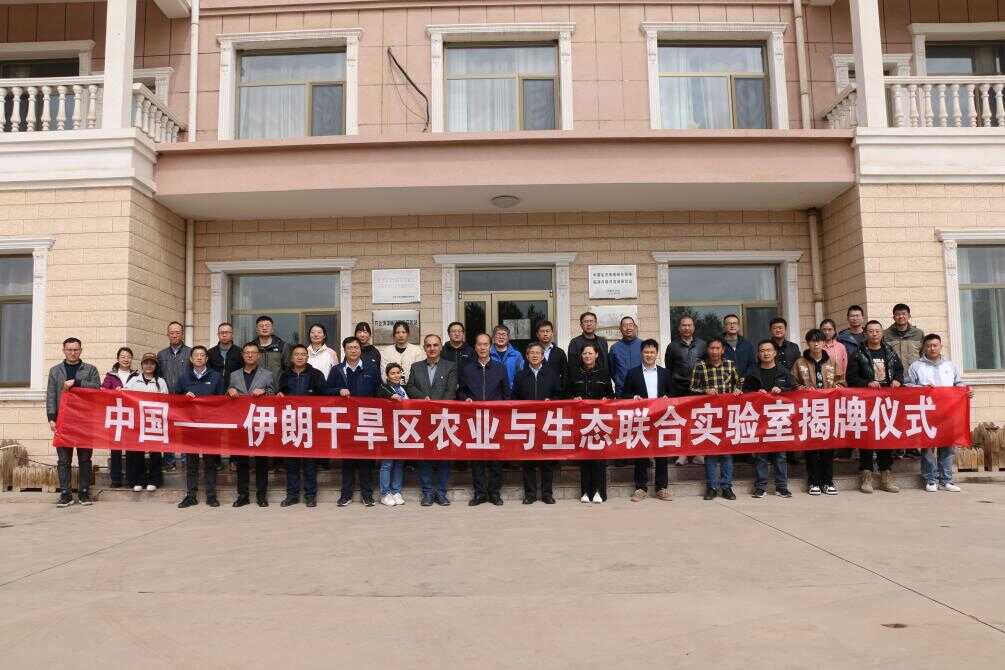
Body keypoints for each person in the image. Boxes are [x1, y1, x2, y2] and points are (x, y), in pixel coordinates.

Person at [905, 334, 972, 493]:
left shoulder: (950, 365)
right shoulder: (916, 366)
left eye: (935, 345)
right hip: (926, 412)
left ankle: (946, 480)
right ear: (924, 347)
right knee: (928, 446)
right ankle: (931, 479)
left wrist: (966, 391)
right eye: (929, 345)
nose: (932, 348)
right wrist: (921, 388)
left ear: (941, 346)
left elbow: (958, 383)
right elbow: (907, 385)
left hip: (948, 411)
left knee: (948, 446)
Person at [847, 320, 904, 494]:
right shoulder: (858, 354)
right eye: (871, 331)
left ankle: (886, 476)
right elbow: (851, 378)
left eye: (877, 331)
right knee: (867, 438)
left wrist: (897, 380)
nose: (874, 334)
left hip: (887, 401)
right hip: (867, 401)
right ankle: (866, 476)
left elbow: (899, 370)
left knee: (885, 437)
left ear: (882, 333)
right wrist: (867, 383)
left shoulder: (890, 352)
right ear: (865, 333)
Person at [47, 337, 101, 507]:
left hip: (85, 420)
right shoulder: (55, 371)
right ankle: (65, 494)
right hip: (63, 420)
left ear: (81, 351)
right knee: (64, 460)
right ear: (64, 350)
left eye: (76, 349)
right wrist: (51, 418)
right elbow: (51, 395)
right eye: (69, 349)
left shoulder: (90, 369)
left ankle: (84, 492)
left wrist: (76, 383)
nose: (72, 352)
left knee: (85, 458)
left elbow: (96, 388)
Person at [405, 334, 458, 507]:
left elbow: (451, 391)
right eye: (428, 345)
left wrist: (435, 405)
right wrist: (423, 399)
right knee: (424, 457)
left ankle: (441, 493)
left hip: (443, 418)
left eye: (435, 345)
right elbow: (410, 387)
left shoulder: (450, 366)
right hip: (423, 419)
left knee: (444, 457)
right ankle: (427, 493)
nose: (432, 348)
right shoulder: (416, 367)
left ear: (441, 347)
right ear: (424, 348)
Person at [792, 329, 846, 496]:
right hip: (808, 410)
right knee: (811, 447)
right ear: (807, 343)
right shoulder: (799, 362)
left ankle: (828, 481)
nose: (816, 344)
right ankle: (813, 481)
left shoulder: (832, 361)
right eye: (812, 341)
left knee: (827, 447)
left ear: (824, 343)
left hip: (828, 410)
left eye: (819, 341)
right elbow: (793, 383)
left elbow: (841, 381)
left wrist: (837, 387)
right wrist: (802, 389)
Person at [328, 336, 380, 506]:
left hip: (366, 419)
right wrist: (338, 390)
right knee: (347, 459)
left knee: (366, 460)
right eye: (349, 348)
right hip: (345, 420)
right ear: (344, 350)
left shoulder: (371, 368)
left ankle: (367, 495)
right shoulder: (337, 370)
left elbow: (378, 390)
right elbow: (327, 390)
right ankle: (346, 495)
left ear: (360, 350)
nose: (353, 350)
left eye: (356, 347)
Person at [459, 332, 510, 506]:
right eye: (479, 344)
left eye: (486, 344)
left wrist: (502, 410)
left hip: (495, 419)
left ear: (490, 346)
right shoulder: (467, 369)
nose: (482, 347)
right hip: (474, 419)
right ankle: (480, 493)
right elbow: (461, 391)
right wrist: (465, 398)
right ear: (475, 347)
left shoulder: (499, 368)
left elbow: (506, 393)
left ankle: (494, 493)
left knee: (496, 458)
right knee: (477, 458)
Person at [622, 338, 673, 502]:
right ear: (641, 353)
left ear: (657, 354)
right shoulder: (633, 373)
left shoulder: (665, 373)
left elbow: (673, 394)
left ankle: (661, 487)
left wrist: (667, 398)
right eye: (646, 352)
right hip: (641, 418)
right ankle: (640, 488)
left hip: (660, 418)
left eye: (652, 352)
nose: (649, 355)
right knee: (641, 452)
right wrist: (633, 397)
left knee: (661, 452)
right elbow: (624, 394)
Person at [742, 340, 795, 498]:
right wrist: (756, 394)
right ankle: (760, 487)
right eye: (762, 350)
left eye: (769, 350)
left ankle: (781, 487)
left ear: (775, 353)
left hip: (779, 418)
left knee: (780, 455)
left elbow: (794, 391)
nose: (766, 353)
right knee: (761, 455)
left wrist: (782, 389)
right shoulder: (753, 373)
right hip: (760, 419)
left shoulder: (784, 372)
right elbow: (745, 393)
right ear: (758, 354)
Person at [277, 344, 327, 508]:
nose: (300, 357)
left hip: (309, 424)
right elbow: (280, 393)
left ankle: (310, 496)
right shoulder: (285, 375)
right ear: (292, 358)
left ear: (307, 357)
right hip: (290, 424)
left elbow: (324, 397)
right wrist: (280, 395)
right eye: (296, 354)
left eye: (303, 354)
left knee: (310, 463)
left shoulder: (316, 375)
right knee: (291, 462)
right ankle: (292, 495)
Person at [512, 342, 563, 505]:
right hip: (527, 422)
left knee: (546, 460)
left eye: (538, 353)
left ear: (542, 356)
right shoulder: (520, 376)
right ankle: (530, 494)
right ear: (527, 356)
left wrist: (551, 401)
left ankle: (547, 494)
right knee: (528, 460)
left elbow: (559, 395)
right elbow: (514, 398)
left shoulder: (551, 374)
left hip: (546, 421)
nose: (535, 356)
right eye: (531, 353)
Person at [691, 338, 741, 501]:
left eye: (717, 348)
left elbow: (738, 384)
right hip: (709, 415)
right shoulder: (700, 366)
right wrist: (705, 391)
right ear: (708, 350)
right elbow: (692, 388)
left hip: (727, 414)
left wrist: (737, 391)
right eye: (712, 348)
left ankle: (727, 487)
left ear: (723, 350)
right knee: (711, 453)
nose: (714, 351)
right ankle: (712, 487)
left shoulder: (730, 365)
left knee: (727, 453)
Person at [176, 346, 226, 508]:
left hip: (210, 427)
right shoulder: (184, 378)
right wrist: (184, 398)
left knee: (210, 462)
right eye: (196, 355)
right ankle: (191, 495)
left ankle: (211, 495)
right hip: (190, 426)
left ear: (206, 359)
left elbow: (222, 401)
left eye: (202, 355)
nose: (199, 358)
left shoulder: (216, 377)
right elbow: (175, 400)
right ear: (191, 359)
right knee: (191, 463)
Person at [227, 343, 275, 507]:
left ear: (258, 355)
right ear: (242, 355)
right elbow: (228, 394)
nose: (249, 355)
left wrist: (265, 392)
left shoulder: (267, 374)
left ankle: (262, 496)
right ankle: (243, 495)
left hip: (260, 423)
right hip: (241, 423)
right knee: (242, 461)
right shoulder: (234, 375)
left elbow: (275, 396)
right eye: (246, 352)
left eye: (253, 352)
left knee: (261, 461)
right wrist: (230, 391)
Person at [567, 343, 613, 503]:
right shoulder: (574, 373)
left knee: (599, 456)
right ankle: (586, 491)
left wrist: (607, 399)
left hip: (599, 420)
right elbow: (566, 393)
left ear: (597, 355)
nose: (587, 356)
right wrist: (573, 398)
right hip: (581, 420)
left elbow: (611, 395)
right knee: (584, 455)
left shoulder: (604, 373)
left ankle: (600, 492)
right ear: (581, 356)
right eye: (585, 353)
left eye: (590, 353)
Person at [123, 353, 169, 492]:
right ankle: (138, 480)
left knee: (155, 452)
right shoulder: (133, 380)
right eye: (146, 363)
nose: (149, 366)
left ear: (156, 366)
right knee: (137, 451)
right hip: (137, 421)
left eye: (152, 363)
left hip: (155, 420)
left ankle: (154, 480)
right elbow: (125, 396)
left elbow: (166, 400)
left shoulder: (161, 382)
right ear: (142, 365)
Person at [666, 315, 706, 466]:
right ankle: (682, 453)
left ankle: (698, 453)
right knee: (682, 423)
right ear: (679, 328)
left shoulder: (702, 345)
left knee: (699, 422)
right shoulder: (672, 346)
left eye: (689, 325)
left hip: (699, 390)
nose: (686, 328)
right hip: (679, 390)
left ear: (694, 327)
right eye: (684, 325)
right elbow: (669, 369)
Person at [157, 321, 191, 471]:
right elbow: (158, 376)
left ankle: (186, 461)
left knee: (185, 430)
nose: (174, 335)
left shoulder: (190, 353)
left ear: (182, 334)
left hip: (185, 399)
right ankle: (169, 461)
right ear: (167, 334)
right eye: (172, 333)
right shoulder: (161, 354)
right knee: (167, 430)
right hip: (167, 399)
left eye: (177, 332)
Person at [100, 346, 135, 488]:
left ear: (132, 359)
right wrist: (114, 392)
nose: (126, 359)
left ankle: (131, 479)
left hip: (132, 415)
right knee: (115, 448)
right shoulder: (110, 376)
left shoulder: (136, 376)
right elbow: (102, 392)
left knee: (132, 448)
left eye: (128, 357)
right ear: (117, 359)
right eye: (123, 356)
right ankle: (116, 479)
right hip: (116, 415)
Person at [378, 362, 410, 507]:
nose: (396, 376)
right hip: (388, 431)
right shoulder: (383, 389)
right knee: (387, 463)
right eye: (392, 373)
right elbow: (380, 395)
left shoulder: (404, 389)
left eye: (398, 373)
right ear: (387, 376)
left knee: (399, 462)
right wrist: (391, 396)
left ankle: (396, 491)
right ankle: (385, 493)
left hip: (403, 430)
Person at [608, 316, 642, 396]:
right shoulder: (614, 348)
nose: (628, 328)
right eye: (625, 325)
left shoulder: (643, 345)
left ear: (635, 327)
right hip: (621, 392)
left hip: (641, 391)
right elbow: (611, 370)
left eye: (630, 325)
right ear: (620, 329)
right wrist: (618, 381)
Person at [568, 311, 609, 376]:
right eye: (586, 321)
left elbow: (606, 363)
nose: (589, 324)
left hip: (602, 379)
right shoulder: (575, 342)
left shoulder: (602, 341)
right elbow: (572, 366)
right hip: (582, 379)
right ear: (581, 325)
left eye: (591, 321)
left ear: (595, 324)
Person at [250, 315, 291, 381]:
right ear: (257, 330)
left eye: (267, 326)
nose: (264, 328)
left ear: (272, 329)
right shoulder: (251, 346)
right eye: (261, 326)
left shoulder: (282, 346)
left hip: (277, 386)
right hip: (256, 386)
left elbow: (288, 369)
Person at [534, 320, 569, 391]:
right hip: (537, 391)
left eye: (547, 331)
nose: (545, 334)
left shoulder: (560, 353)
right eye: (542, 331)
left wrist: (562, 390)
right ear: (537, 334)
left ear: (552, 333)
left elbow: (565, 374)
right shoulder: (532, 352)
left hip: (556, 392)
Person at [721, 314, 756, 381]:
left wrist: (745, 376)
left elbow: (752, 364)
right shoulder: (719, 344)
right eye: (729, 323)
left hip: (744, 382)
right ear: (724, 326)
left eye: (735, 323)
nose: (732, 326)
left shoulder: (747, 344)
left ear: (739, 326)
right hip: (724, 382)